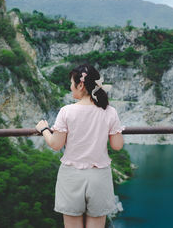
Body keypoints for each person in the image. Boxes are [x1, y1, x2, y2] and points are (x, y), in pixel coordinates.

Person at [36, 64, 124, 228]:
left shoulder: (67, 111)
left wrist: (43, 130)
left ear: (81, 85)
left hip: (71, 176)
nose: (70, 87)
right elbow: (117, 145)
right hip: (99, 176)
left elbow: (56, 144)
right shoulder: (109, 111)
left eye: (71, 83)